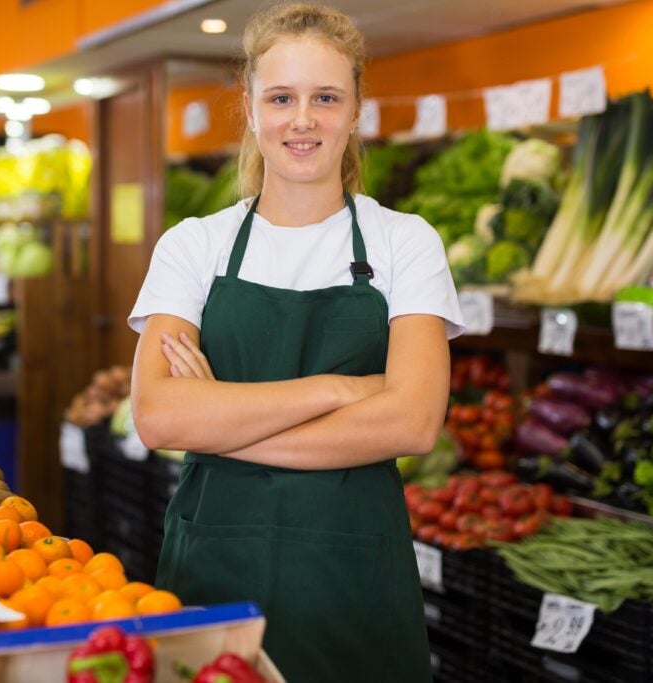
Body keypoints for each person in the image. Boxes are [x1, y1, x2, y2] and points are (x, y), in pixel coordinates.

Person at [128, 3, 464, 680]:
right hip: (215, 571)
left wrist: (219, 419)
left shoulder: (406, 242)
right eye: (281, 97)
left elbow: (414, 420)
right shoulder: (195, 244)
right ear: (250, 108)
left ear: (356, 109)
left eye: (326, 98)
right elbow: (158, 415)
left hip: (354, 577)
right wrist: (339, 390)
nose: (302, 119)